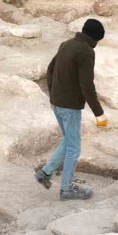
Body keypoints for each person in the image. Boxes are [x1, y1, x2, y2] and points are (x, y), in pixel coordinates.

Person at [35, 19, 108, 201]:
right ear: (95, 38)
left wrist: (52, 96)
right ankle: (67, 189)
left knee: (68, 139)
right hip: (70, 106)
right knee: (74, 148)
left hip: (58, 102)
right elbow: (87, 86)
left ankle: (45, 172)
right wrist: (99, 113)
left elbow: (50, 69)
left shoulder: (66, 44)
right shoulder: (86, 51)